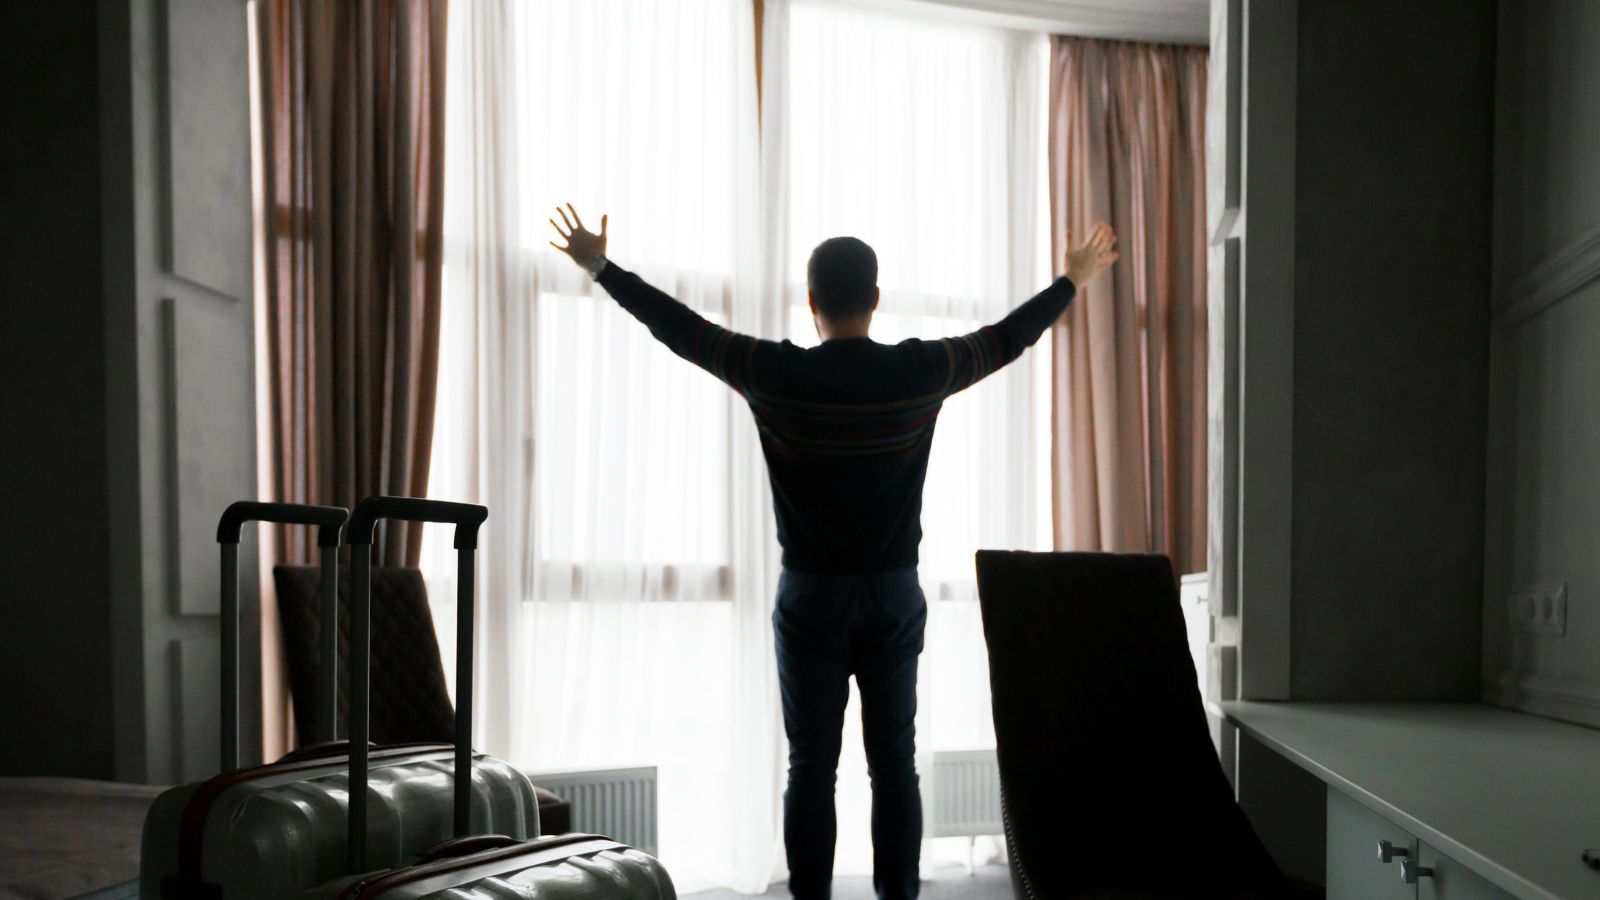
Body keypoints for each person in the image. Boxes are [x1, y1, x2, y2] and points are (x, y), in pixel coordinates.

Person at [549, 205, 1118, 900]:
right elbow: (1009, 337)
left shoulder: (772, 371)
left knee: (811, 768)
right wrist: (1071, 279)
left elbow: (680, 329)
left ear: (811, 300)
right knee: (894, 766)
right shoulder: (922, 369)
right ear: (875, 298)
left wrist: (600, 266)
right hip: (893, 594)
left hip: (811, 597)